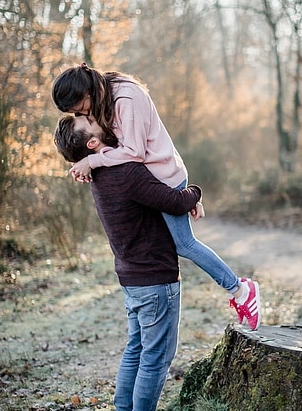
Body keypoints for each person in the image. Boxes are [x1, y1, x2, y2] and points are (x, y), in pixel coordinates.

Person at [51, 63, 261, 330]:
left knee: (184, 245)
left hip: (164, 175)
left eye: (79, 108)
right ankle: (238, 290)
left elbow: (134, 152)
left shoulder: (126, 97)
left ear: (87, 91)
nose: (81, 114)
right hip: (150, 182)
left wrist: (93, 162)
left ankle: (241, 290)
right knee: (167, 243)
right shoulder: (104, 99)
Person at [54, 112, 197, 411]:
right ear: (92, 143)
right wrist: (195, 190)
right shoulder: (126, 172)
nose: (99, 120)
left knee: (136, 349)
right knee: (156, 357)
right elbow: (177, 201)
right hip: (155, 279)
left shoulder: (102, 173)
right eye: (90, 123)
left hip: (132, 278)